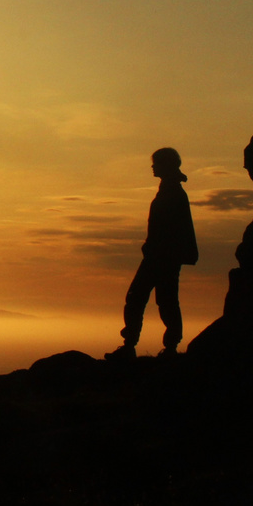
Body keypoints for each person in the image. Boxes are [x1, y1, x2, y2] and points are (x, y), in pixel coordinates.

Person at [107, 147, 199, 359]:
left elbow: (172, 228)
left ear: (165, 165)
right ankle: (154, 346)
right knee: (155, 299)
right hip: (160, 255)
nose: (152, 166)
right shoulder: (170, 189)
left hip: (162, 257)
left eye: (156, 163)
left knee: (145, 298)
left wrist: (155, 249)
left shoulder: (173, 192)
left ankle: (147, 346)